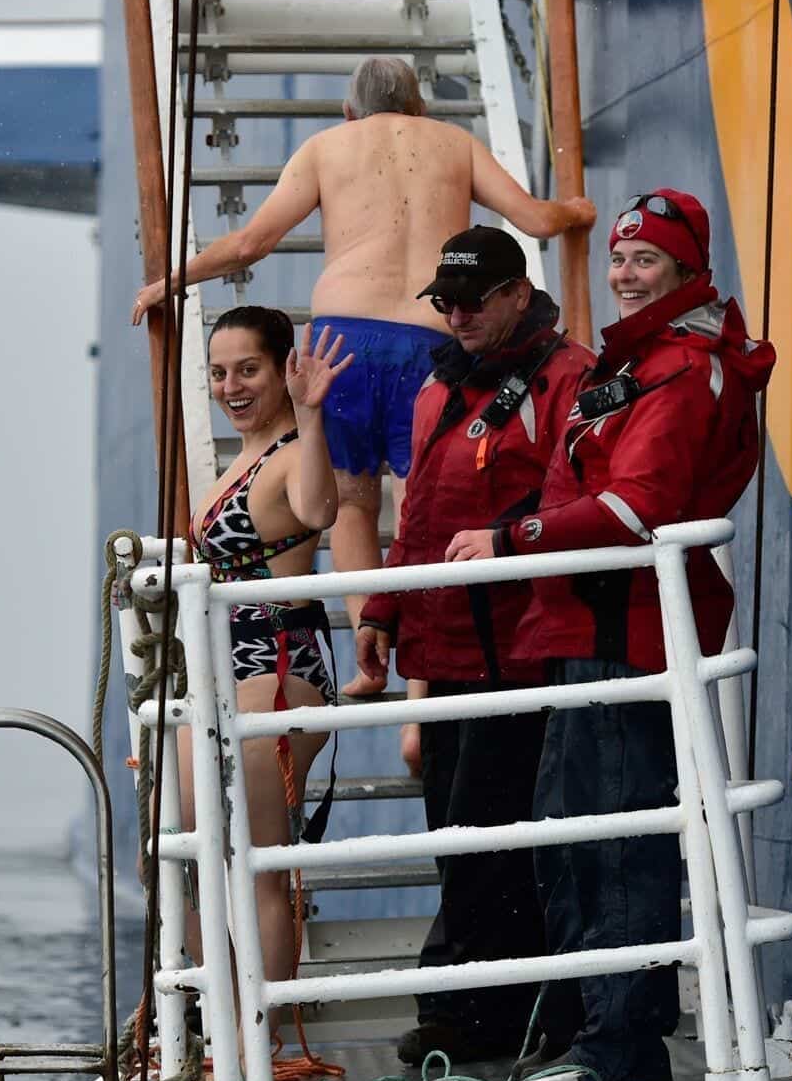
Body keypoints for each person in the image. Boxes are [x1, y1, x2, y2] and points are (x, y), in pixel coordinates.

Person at [443, 190, 775, 1081]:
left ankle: (622, 1047)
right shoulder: (636, 365)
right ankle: (593, 1030)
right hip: (583, 623)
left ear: (685, 271)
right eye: (620, 260)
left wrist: (515, 540)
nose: (625, 276)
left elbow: (639, 507)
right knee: (571, 835)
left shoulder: (685, 368)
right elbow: (581, 490)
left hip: (627, 629)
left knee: (620, 841)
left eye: (646, 263)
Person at [133, 57, 597, 691]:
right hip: (432, 343)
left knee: (352, 504)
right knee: (420, 505)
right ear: (420, 108)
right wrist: (575, 212)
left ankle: (367, 656)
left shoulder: (327, 148)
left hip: (341, 342)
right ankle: (421, 685)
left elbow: (250, 245)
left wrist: (170, 282)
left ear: (349, 112)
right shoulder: (454, 144)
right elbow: (538, 221)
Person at [350, 226, 595, 1066]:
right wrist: (383, 609)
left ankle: (477, 1012)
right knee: (462, 837)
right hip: (447, 650)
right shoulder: (437, 391)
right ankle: (490, 1013)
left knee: (503, 835)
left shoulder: (568, 378)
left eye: (470, 300)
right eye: (444, 302)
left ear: (517, 294)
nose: (454, 315)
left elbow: (575, 496)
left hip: (524, 652)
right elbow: (416, 514)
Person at [179, 307, 352, 1072]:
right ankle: (215, 1029)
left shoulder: (288, 455)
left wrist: (312, 416)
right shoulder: (240, 458)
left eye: (247, 369)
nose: (230, 386)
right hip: (222, 672)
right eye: (218, 372)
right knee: (195, 858)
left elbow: (319, 509)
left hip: (275, 668)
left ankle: (262, 1037)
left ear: (282, 367)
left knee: (259, 862)